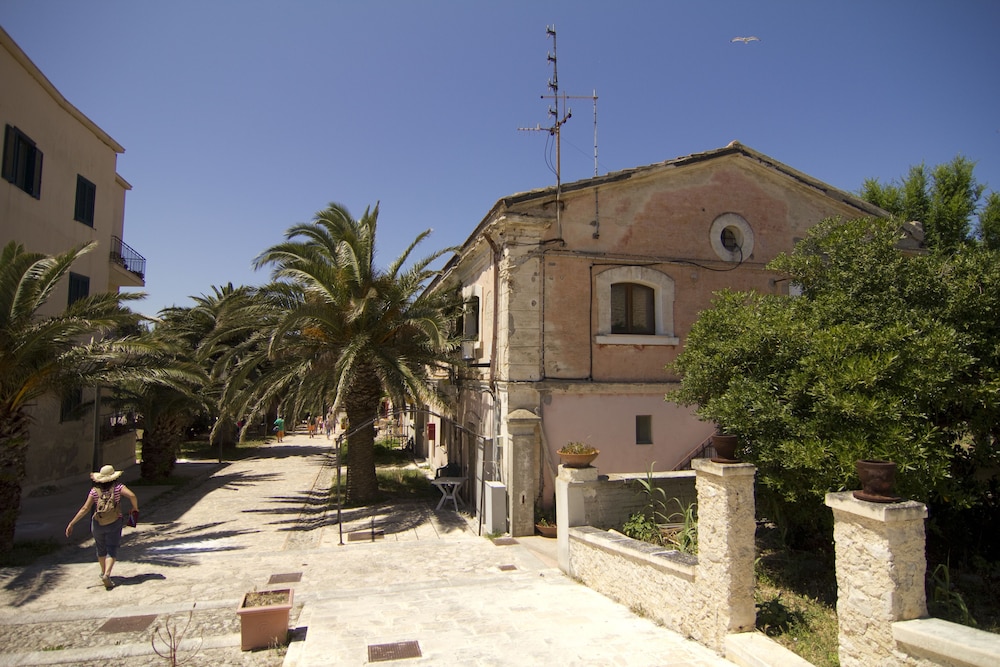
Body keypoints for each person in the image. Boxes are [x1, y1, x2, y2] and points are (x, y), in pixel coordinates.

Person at [65, 464, 139, 590]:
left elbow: (85, 508)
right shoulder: (118, 487)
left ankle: (103, 571)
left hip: (97, 523)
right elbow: (132, 495)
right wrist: (135, 508)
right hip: (114, 521)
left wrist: (72, 523)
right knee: (112, 548)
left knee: (101, 548)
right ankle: (107, 574)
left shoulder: (94, 491)